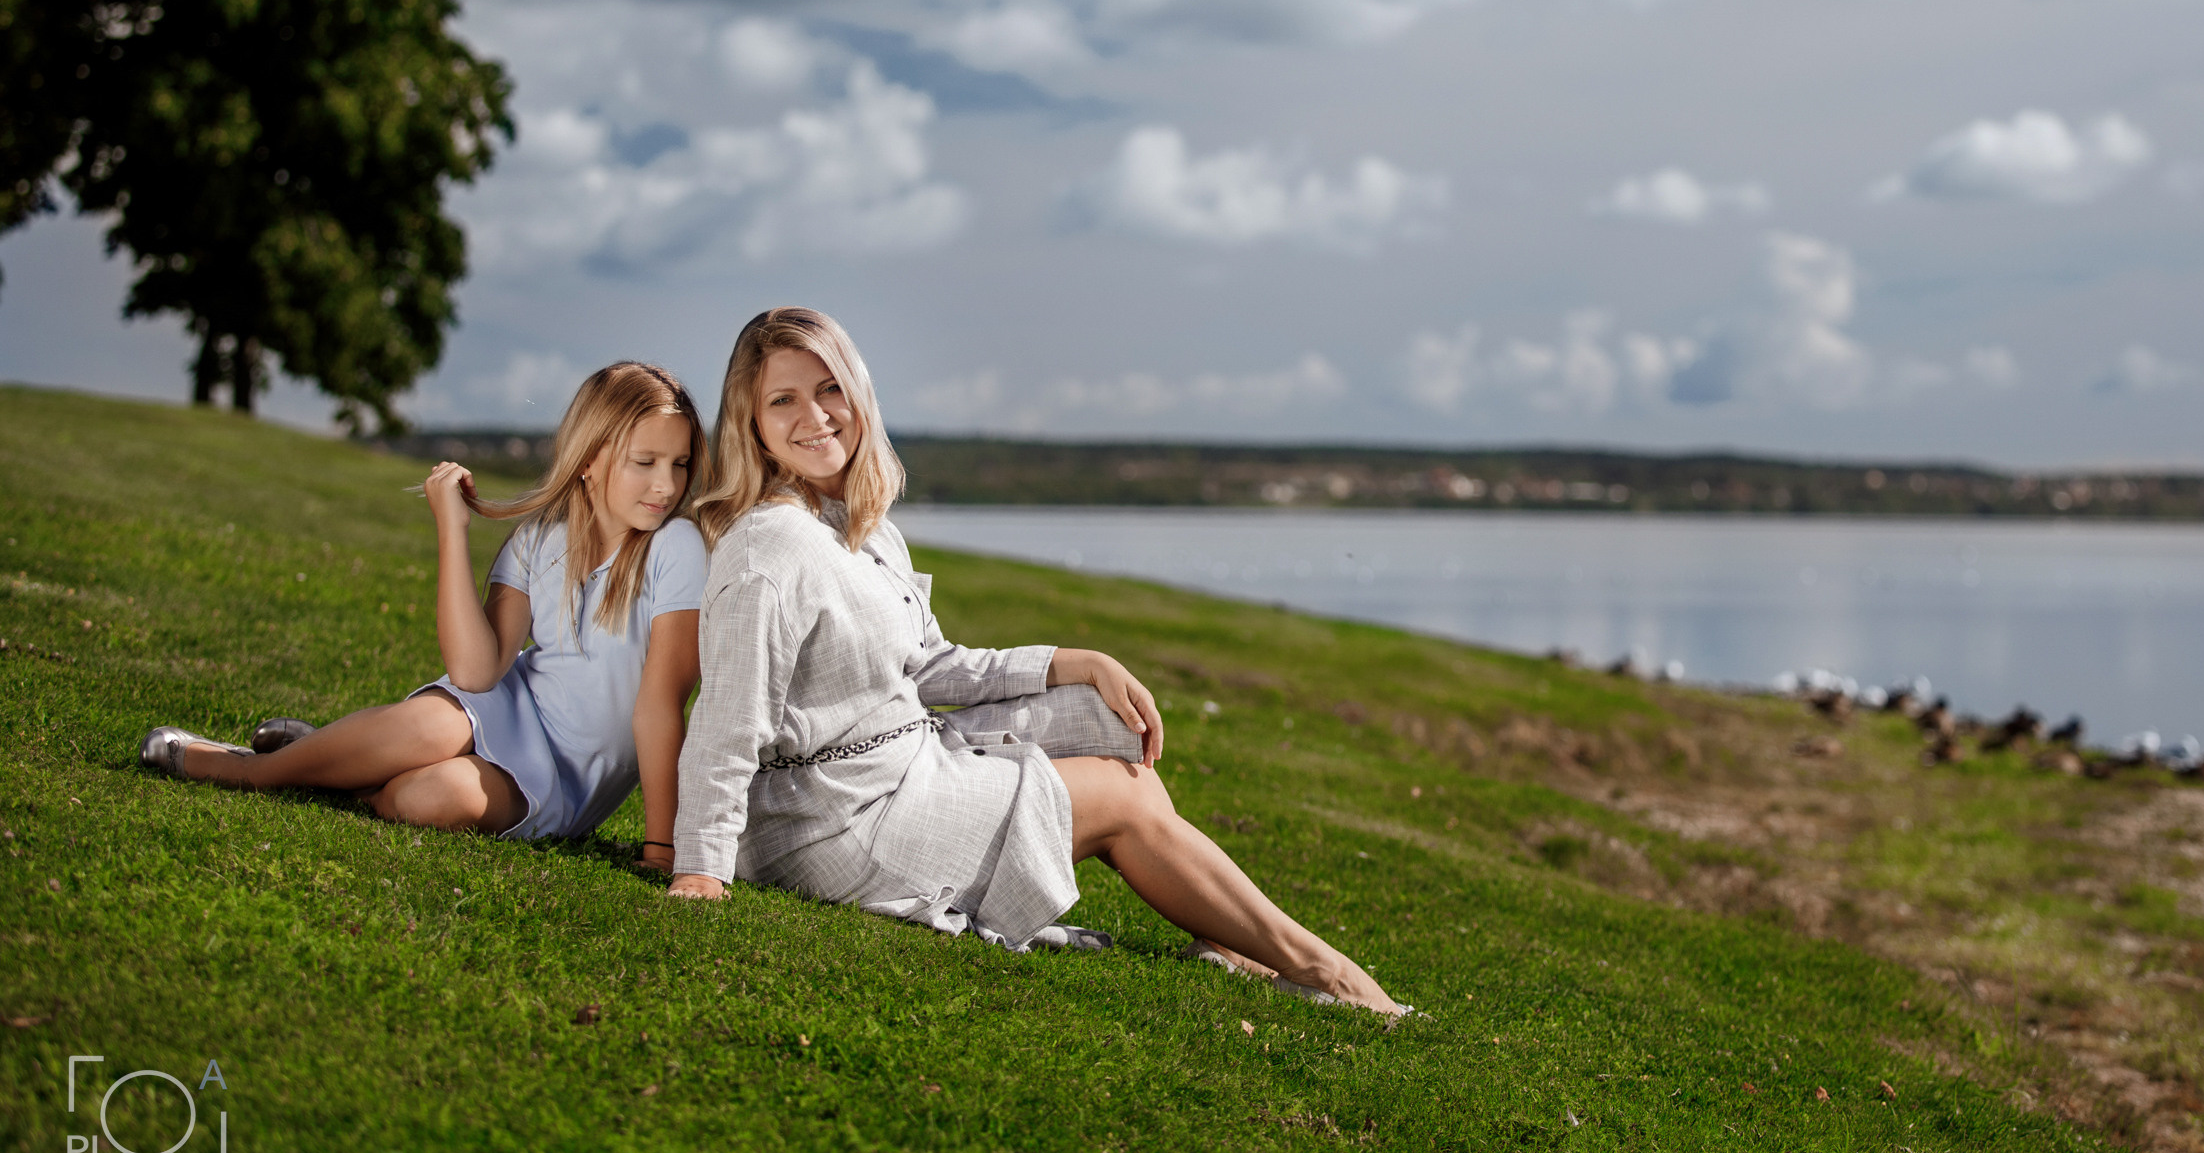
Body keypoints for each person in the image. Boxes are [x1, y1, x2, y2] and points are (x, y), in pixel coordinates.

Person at [666, 307, 1405, 1016]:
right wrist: (699, 866)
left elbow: (927, 665)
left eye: (830, 389)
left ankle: (1226, 934)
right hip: (837, 822)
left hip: (903, 763)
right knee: (1125, 797)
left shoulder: (859, 523)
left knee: (1098, 719)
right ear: (751, 424)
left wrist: (1073, 661)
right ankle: (1320, 969)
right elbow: (728, 721)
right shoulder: (771, 547)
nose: (815, 415)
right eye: (783, 399)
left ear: (859, 394)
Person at [141, 362, 709, 867]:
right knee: (434, 723)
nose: (667, 485)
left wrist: (662, 846)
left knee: (425, 798)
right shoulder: (539, 540)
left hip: (560, 784)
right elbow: (477, 673)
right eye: (646, 461)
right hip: (511, 708)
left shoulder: (676, 547)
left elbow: (660, 705)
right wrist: (451, 529)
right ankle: (244, 771)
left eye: (680, 464)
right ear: (590, 459)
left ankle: (324, 761)